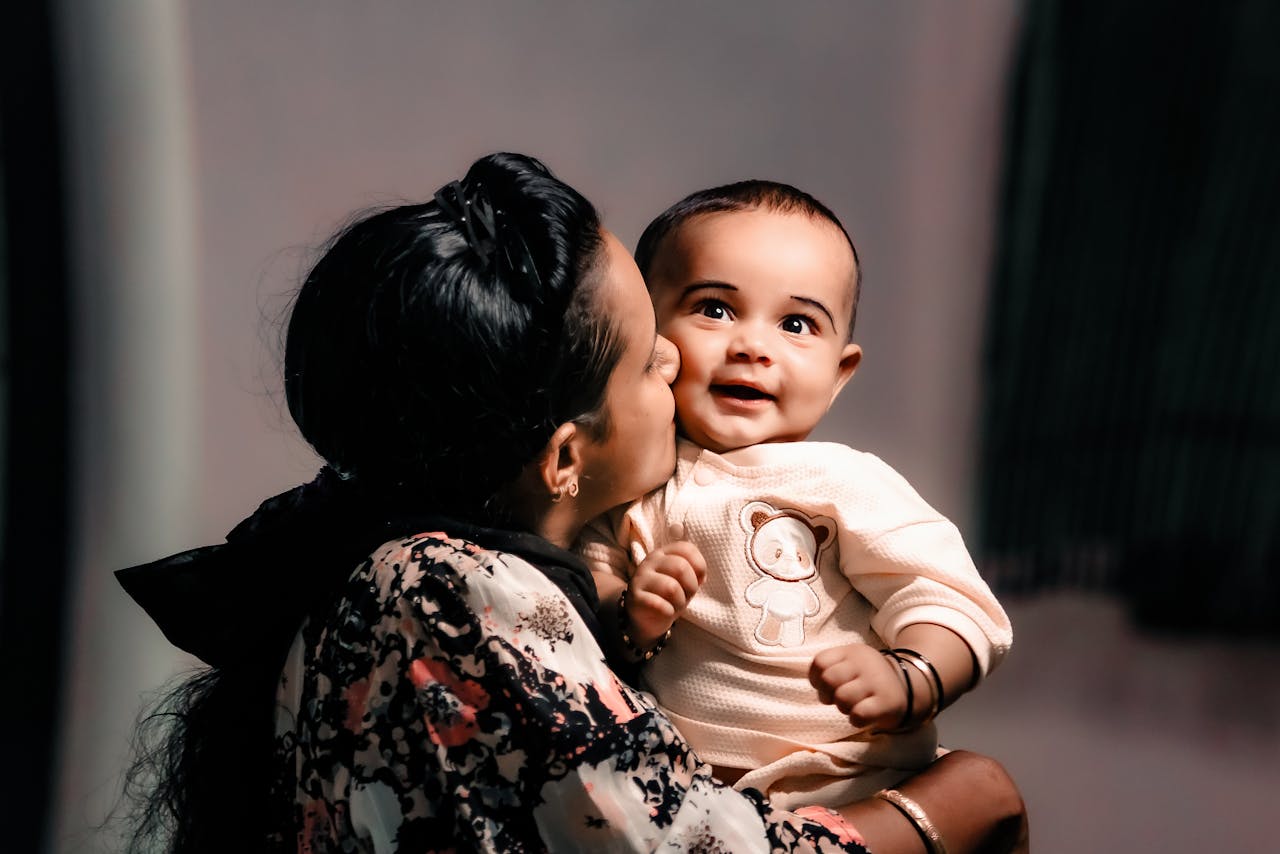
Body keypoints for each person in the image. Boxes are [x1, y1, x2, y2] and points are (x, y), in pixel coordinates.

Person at [116, 153, 1027, 853]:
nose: (683, 363)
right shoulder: (452, 590)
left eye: (795, 323)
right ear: (563, 457)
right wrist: (953, 799)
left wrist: (912, 677)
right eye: (651, 352)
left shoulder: (420, 574)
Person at [579, 181, 1013, 810]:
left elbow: (950, 600)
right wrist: (630, 612)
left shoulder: (843, 483)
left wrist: (911, 677)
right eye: (715, 309)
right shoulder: (633, 487)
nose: (753, 347)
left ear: (839, 374)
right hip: (690, 793)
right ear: (648, 335)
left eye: (797, 324)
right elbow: (587, 597)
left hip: (849, 780)